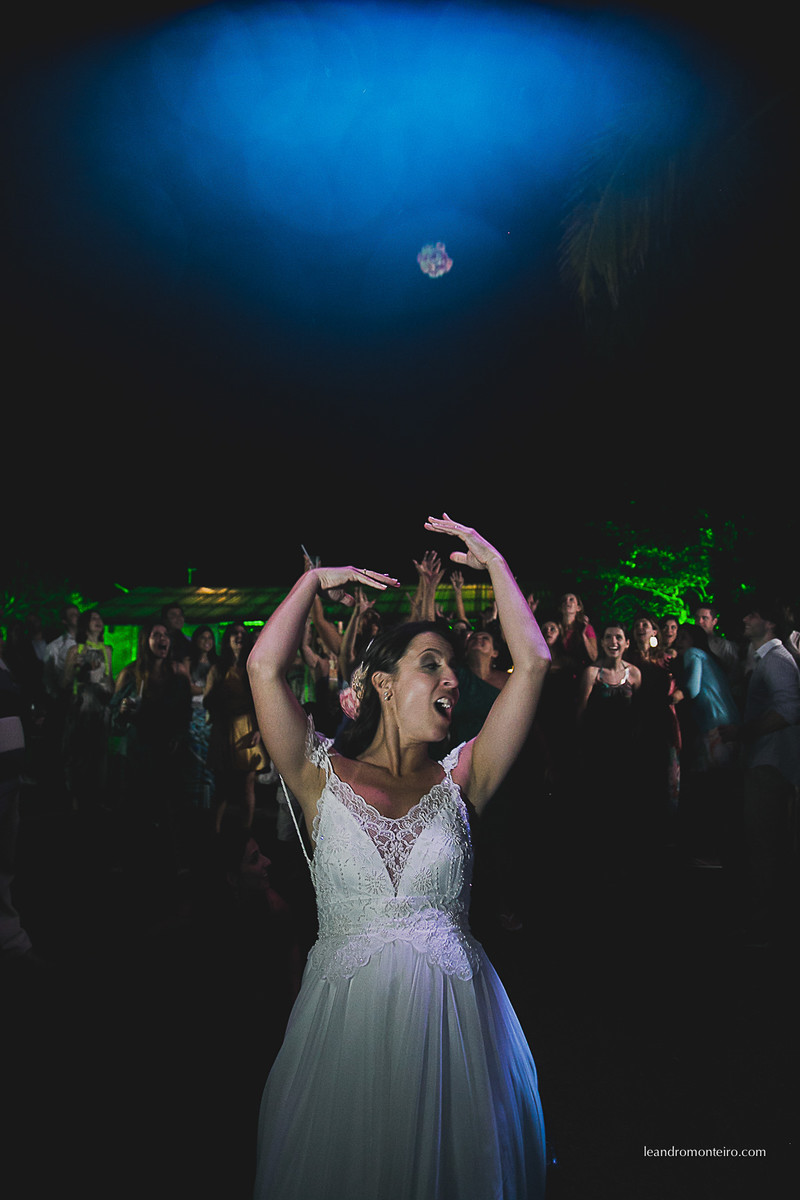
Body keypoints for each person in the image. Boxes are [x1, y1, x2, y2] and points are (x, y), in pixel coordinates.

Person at [247, 514, 550, 1200]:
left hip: (458, 1047)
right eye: (430, 664)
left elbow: (532, 663)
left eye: (451, 663)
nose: (452, 679)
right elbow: (264, 667)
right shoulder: (317, 775)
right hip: (345, 1048)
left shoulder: (465, 779)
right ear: (383, 684)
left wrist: (496, 561)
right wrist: (313, 581)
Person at [720, 601, 800, 946]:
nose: (744, 618)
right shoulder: (766, 659)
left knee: (763, 844)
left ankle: (764, 925)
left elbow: (789, 709)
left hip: (770, 764)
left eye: (751, 614)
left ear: (769, 623)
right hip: (766, 761)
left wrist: (744, 732)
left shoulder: (777, 661)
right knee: (765, 844)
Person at [673, 624, 740, 866]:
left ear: (694, 640)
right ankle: (721, 851)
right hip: (725, 725)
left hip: (714, 728)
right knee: (720, 788)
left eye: (683, 637)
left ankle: (712, 852)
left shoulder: (694, 655)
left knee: (712, 789)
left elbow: (692, 689)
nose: (678, 641)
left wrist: (671, 697)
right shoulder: (709, 658)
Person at [204, 620, 266, 835]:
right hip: (224, 727)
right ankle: (214, 833)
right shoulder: (218, 669)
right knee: (222, 785)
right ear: (227, 639)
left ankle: (244, 834)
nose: (239, 637)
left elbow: (262, 701)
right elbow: (207, 700)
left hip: (247, 726)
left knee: (247, 783)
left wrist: (259, 729)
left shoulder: (253, 667)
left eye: (242, 633)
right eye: (234, 633)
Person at [186, 625, 217, 810]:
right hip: (193, 714)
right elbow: (188, 686)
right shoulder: (188, 661)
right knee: (194, 757)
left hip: (209, 715)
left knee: (209, 759)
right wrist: (208, 689)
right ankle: (194, 802)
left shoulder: (216, 663)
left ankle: (208, 802)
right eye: (203, 637)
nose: (207, 641)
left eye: (210, 638)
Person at [558, 591, 598, 668]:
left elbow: (594, 656)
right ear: (560, 608)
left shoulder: (587, 628)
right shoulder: (554, 628)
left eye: (571, 599)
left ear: (578, 608)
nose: (567, 602)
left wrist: (583, 635)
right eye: (564, 600)